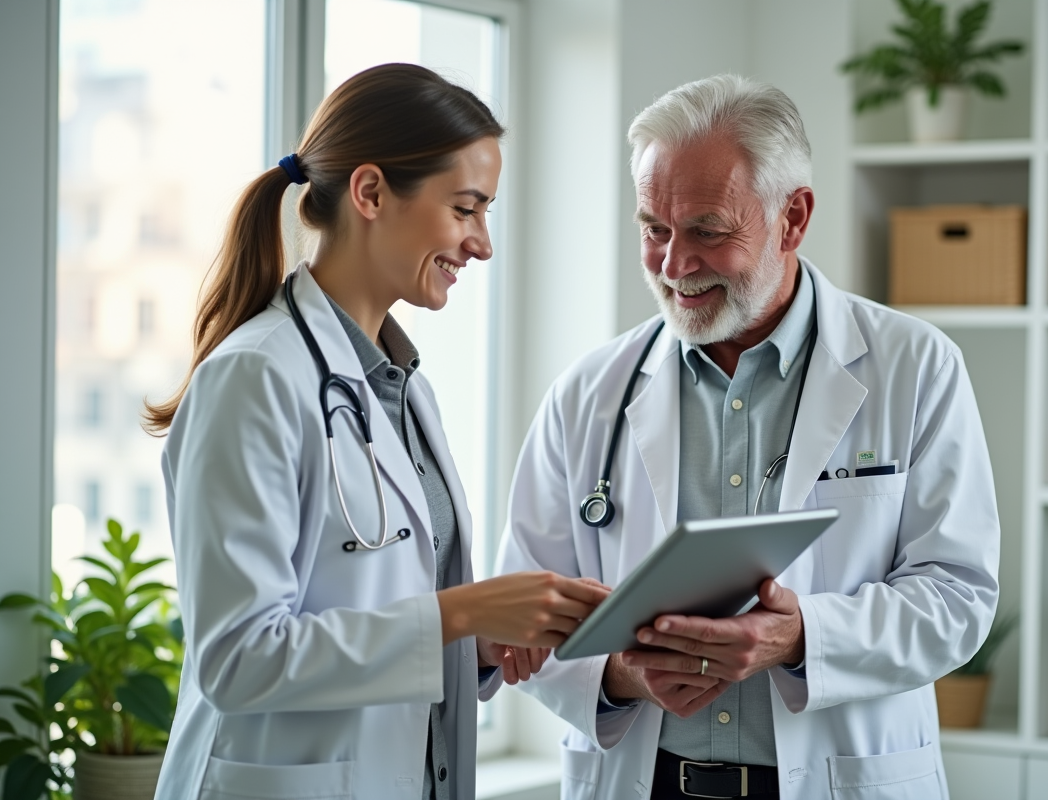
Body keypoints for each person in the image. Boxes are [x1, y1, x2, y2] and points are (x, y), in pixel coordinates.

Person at [496, 74, 1000, 800]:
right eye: (654, 229)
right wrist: (619, 674)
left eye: (707, 230)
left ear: (792, 219)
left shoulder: (914, 367)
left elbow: (958, 597)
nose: (674, 266)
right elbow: (524, 616)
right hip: (645, 780)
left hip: (836, 778)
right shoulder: (589, 391)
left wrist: (801, 638)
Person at [145, 64, 609, 800]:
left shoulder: (401, 387)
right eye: (465, 208)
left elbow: (382, 614)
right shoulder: (256, 377)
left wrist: (477, 640)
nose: (482, 243)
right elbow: (238, 659)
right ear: (369, 193)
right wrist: (460, 612)